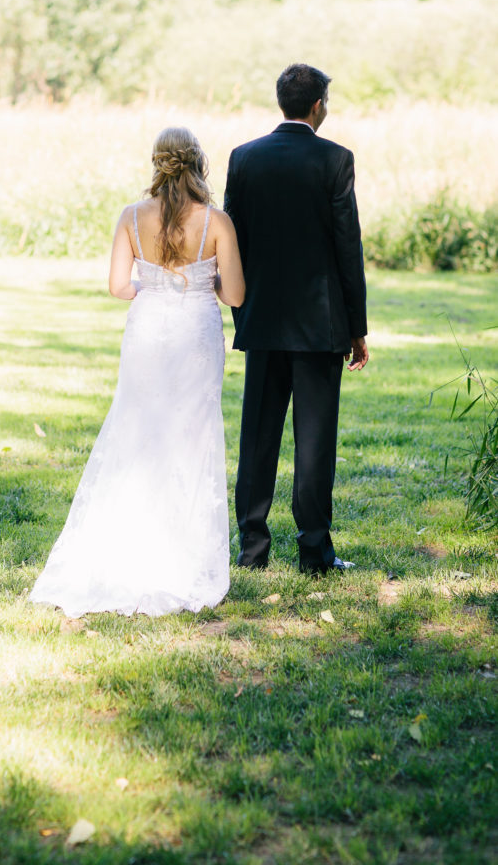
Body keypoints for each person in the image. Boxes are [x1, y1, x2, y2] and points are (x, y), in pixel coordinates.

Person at [30, 126, 245, 617]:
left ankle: (126, 543)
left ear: (157, 163)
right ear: (198, 164)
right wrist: (195, 285)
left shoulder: (131, 216)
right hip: (195, 335)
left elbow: (117, 286)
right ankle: (180, 552)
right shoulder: (218, 222)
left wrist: (153, 291)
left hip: (147, 331)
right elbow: (234, 296)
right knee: (190, 434)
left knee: (137, 429)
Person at [223, 63, 368, 577]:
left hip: (261, 322)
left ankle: (252, 550)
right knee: (315, 443)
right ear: (317, 105)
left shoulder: (244, 159)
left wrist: (242, 310)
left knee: (257, 439)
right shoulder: (335, 159)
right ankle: (314, 554)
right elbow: (347, 247)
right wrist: (357, 329)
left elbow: (231, 243)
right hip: (319, 327)